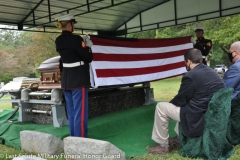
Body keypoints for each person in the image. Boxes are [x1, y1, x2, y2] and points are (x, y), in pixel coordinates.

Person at [146, 48, 225, 154]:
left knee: (161, 107)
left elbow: (180, 100)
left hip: (197, 115)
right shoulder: (213, 73)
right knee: (185, 105)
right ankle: (179, 138)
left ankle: (163, 146)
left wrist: (169, 104)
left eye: (185, 62)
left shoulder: (190, 76)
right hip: (211, 113)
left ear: (188, 61)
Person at [55, 13, 93, 137]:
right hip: (79, 79)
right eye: (73, 24)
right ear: (70, 24)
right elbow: (88, 58)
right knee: (80, 113)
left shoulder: (58, 40)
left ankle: (73, 138)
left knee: (71, 113)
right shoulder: (76, 39)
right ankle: (81, 140)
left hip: (67, 80)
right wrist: (88, 47)